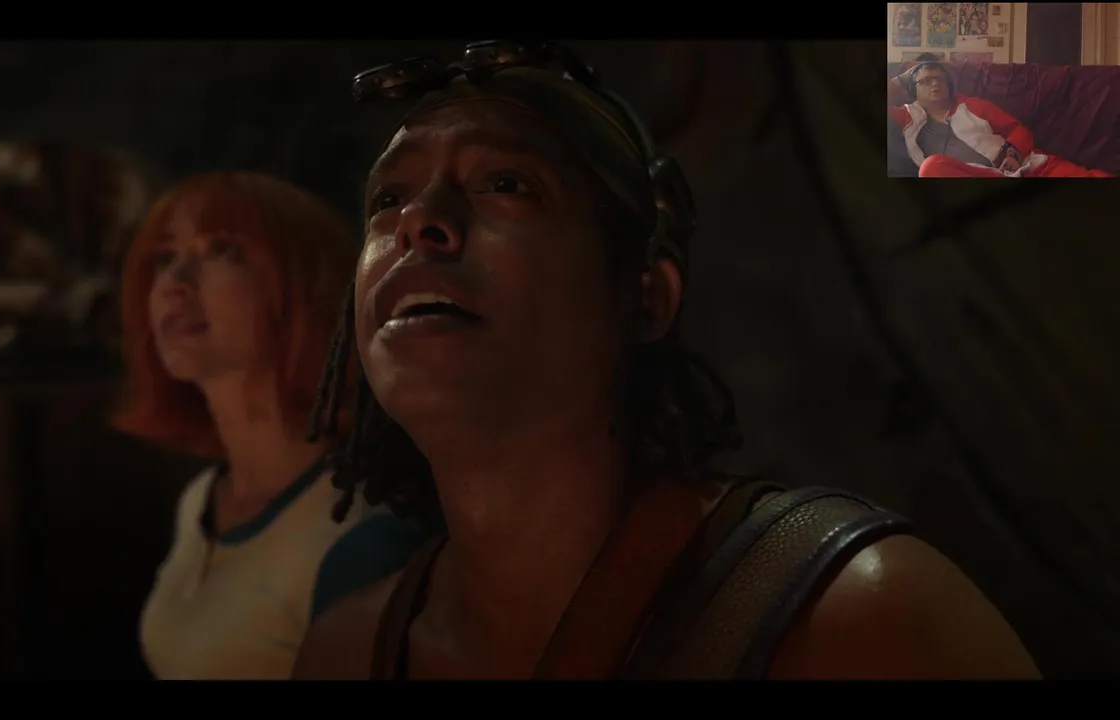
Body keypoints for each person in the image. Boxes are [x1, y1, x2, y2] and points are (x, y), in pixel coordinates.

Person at [292, 42, 1042, 680]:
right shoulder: (346, 652)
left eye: (506, 184)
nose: (418, 221)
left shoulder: (863, 617)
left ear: (647, 296)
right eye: (387, 199)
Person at [115, 171, 403, 679]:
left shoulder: (359, 533)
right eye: (163, 257)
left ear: (303, 288)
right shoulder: (200, 500)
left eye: (221, 250)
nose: (175, 281)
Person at [888, 60, 1114, 178]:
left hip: (1026, 168)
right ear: (912, 89)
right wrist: (903, 78)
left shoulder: (974, 105)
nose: (935, 84)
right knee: (931, 168)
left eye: (940, 79)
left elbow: (1019, 131)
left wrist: (1013, 153)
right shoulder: (906, 118)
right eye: (925, 81)